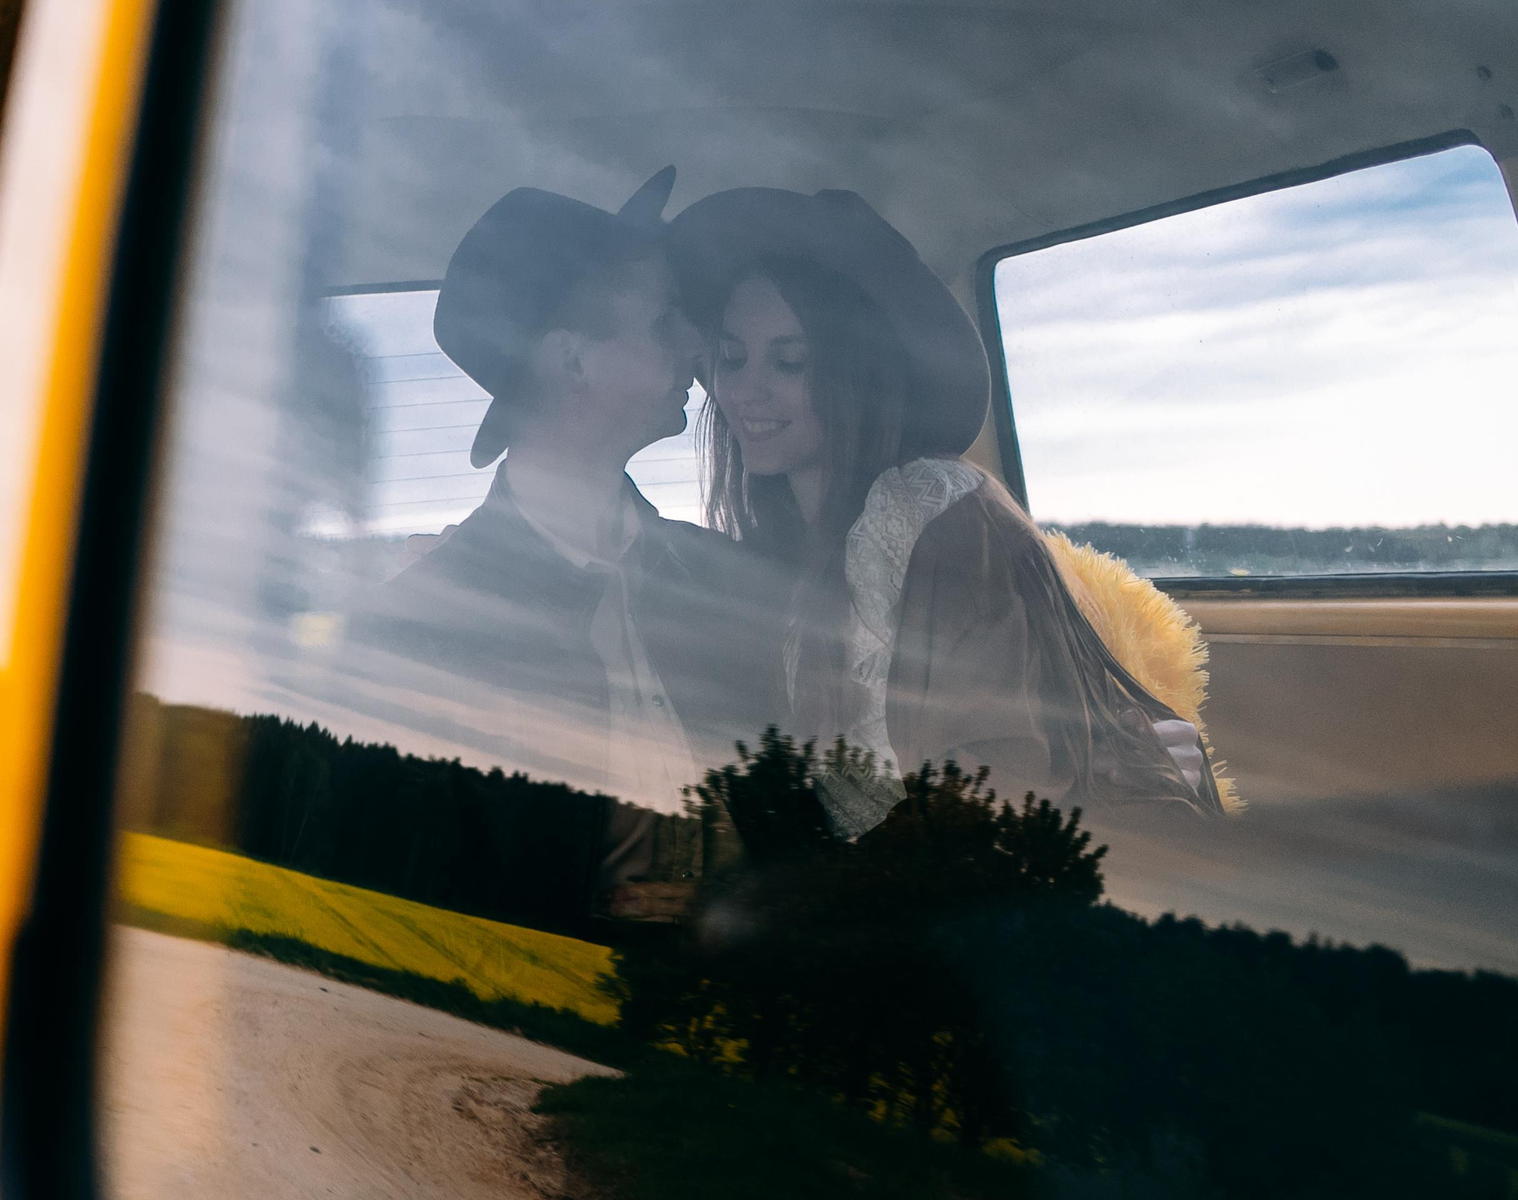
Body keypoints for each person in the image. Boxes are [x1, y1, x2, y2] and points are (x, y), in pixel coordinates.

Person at [668, 186, 1220, 836]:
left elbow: (1004, 784)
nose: (742, 388)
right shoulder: (778, 545)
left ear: (855, 373)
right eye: (731, 357)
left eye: (790, 360)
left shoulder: (943, 519)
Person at [353, 169, 786, 894]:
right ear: (572, 360)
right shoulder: (410, 643)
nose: (693, 340)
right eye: (663, 317)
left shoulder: (726, 582)